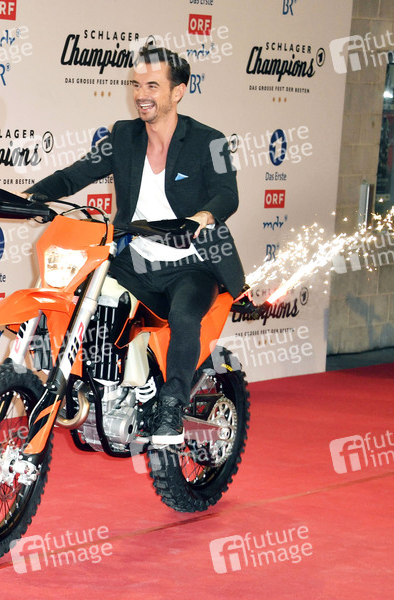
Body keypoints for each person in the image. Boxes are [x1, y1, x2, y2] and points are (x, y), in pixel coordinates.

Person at [24, 44, 245, 445]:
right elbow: (76, 174)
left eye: (153, 86)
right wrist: (31, 197)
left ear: (178, 91)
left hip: (193, 262)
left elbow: (226, 194)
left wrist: (201, 217)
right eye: (137, 85)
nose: (142, 94)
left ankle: (172, 408)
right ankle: (88, 380)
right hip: (136, 258)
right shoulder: (124, 136)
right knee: (78, 290)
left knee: (184, 316)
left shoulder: (208, 141)